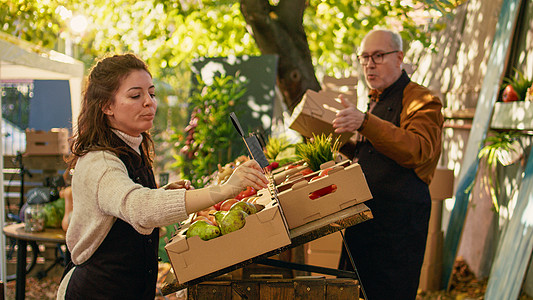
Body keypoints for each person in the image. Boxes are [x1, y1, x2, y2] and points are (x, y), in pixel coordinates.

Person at [56, 53, 268, 299]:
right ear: (106, 106)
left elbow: (121, 205)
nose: (149, 102)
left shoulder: (130, 147)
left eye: (151, 93)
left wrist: (162, 193)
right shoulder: (100, 161)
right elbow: (139, 208)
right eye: (135, 95)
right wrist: (226, 190)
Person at [332, 29, 444, 299]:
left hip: (398, 226)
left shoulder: (422, 99)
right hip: (366, 216)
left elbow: (417, 150)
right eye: (365, 57)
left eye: (378, 56)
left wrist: (364, 123)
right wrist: (336, 139)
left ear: (400, 58)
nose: (370, 64)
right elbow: (374, 151)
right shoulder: (375, 99)